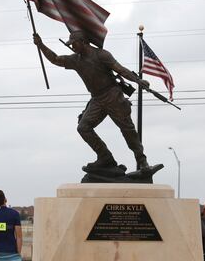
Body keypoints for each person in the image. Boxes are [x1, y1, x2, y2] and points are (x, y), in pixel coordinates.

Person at [33, 31, 151, 170]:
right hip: (97, 99)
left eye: (74, 44)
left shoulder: (101, 54)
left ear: (83, 42)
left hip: (112, 95)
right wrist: (40, 45)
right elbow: (56, 59)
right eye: (71, 45)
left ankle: (141, 160)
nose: (72, 47)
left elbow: (120, 70)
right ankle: (105, 157)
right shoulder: (75, 60)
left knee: (127, 129)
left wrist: (138, 80)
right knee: (83, 127)